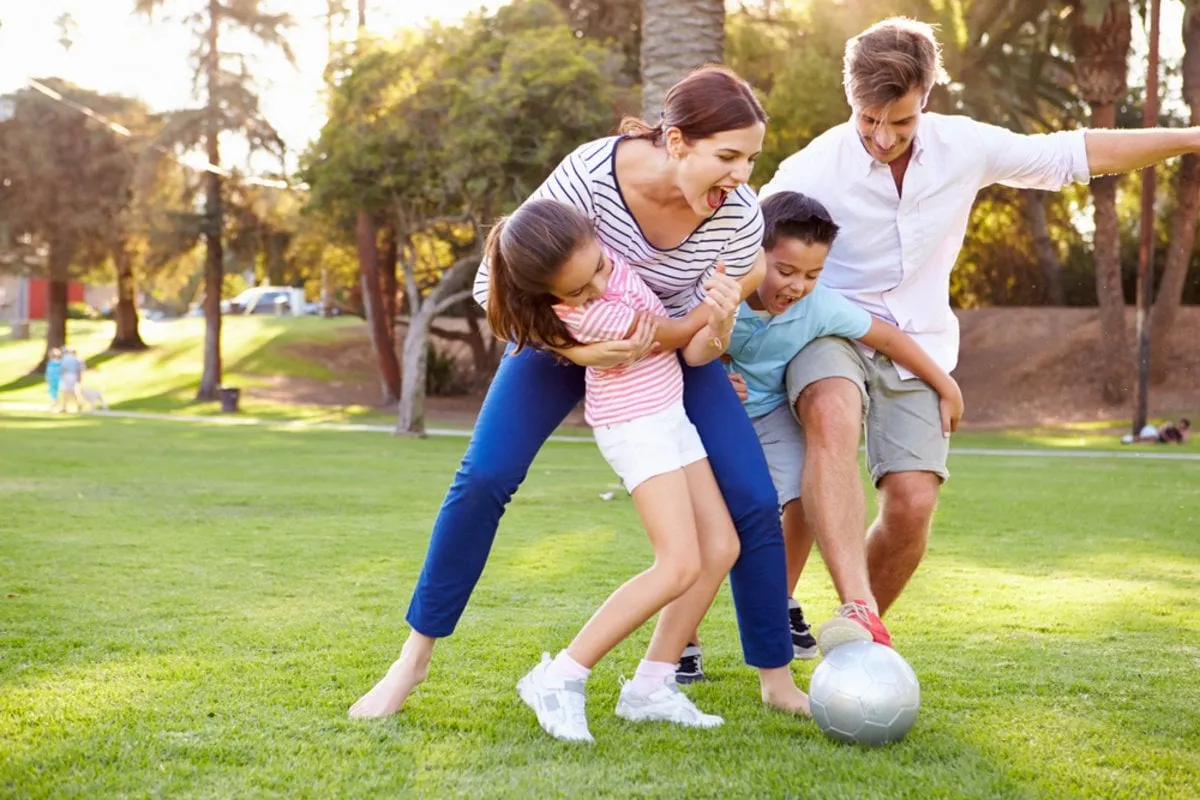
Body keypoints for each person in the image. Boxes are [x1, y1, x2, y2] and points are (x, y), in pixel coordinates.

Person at [350, 65, 810, 720]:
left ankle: (770, 678)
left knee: (753, 500)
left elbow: (722, 308)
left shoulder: (733, 214)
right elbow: (494, 289)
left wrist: (724, 312)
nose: (742, 177)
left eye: (751, 159)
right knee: (485, 476)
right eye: (727, 156)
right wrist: (577, 351)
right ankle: (412, 659)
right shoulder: (592, 176)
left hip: (668, 346)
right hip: (557, 340)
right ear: (677, 142)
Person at [759, 16, 1200, 651]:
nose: (883, 137)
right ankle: (853, 607)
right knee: (830, 411)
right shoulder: (812, 169)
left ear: (928, 100)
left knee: (911, 504)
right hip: (831, 331)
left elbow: (1077, 153)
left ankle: (850, 639)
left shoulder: (962, 146)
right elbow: (745, 240)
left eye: (901, 122)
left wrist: (1190, 137)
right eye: (868, 120)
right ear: (850, 101)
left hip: (922, 342)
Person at [484, 198, 739, 742]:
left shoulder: (603, 257)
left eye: (599, 267)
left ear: (597, 239)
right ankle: (560, 676)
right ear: (551, 296)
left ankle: (650, 686)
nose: (598, 286)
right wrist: (722, 299)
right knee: (677, 564)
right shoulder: (594, 313)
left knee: (721, 548)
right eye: (576, 291)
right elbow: (670, 334)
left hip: (669, 414)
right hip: (635, 425)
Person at [683, 191, 963, 671]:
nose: (797, 286)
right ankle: (682, 642)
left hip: (770, 417)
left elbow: (889, 337)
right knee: (704, 527)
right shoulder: (716, 290)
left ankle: (778, 600)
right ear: (754, 254)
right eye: (786, 271)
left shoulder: (819, 308)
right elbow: (680, 350)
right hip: (710, 417)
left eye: (812, 275)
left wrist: (945, 384)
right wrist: (714, 376)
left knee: (807, 498)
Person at [1122, 418, 1191, 445]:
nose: (1181, 428)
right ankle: (1127, 438)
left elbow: (1184, 441)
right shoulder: (1171, 426)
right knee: (1151, 438)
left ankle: (1130, 442)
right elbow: (1161, 431)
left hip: (1157, 437)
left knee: (1151, 442)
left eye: (1183, 427)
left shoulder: (1178, 436)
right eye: (1181, 425)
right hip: (1153, 431)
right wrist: (1167, 439)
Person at [57, 348, 82, 414]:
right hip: (72, 376)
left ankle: (65, 406)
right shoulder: (74, 359)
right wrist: (79, 378)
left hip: (67, 376)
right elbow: (79, 369)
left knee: (66, 391)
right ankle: (77, 404)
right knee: (72, 391)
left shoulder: (64, 359)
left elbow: (61, 369)